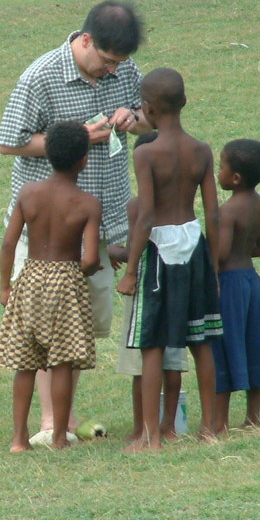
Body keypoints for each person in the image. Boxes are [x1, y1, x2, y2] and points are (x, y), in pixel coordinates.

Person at [0, 0, 149, 438]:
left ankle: (61, 417)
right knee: (42, 324)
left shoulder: (124, 70)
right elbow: (9, 143)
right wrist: (76, 138)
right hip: (49, 227)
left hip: (103, 220)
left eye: (118, 64)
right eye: (105, 61)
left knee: (78, 324)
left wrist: (132, 118)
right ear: (85, 41)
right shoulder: (40, 76)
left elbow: (146, 120)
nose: (111, 71)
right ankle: (50, 421)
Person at [116, 67, 223, 449]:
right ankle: (210, 427)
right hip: (193, 242)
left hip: (158, 248)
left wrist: (130, 271)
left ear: (147, 108)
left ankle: (150, 435)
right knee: (202, 340)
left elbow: (145, 215)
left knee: (152, 344)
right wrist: (213, 261)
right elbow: (212, 212)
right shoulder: (202, 150)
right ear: (185, 102)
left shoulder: (146, 152)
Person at [0, 122, 102, 451]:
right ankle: (58, 437)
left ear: (48, 155)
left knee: (25, 362)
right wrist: (79, 269)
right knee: (62, 361)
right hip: (67, 280)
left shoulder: (28, 193)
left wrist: (5, 287)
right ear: (84, 159)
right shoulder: (87, 203)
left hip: (30, 277)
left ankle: (18, 440)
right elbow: (91, 259)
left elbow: (9, 244)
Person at [109, 143, 189, 443]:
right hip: (176, 283)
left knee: (140, 365)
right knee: (172, 362)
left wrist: (112, 251)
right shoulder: (182, 205)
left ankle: (142, 426)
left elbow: (135, 248)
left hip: (144, 286)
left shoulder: (136, 206)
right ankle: (168, 425)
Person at [211, 139, 260, 430]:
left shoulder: (226, 212)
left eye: (220, 166)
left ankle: (220, 421)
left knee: (224, 345)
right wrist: (243, 250)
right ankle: (253, 417)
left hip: (229, 284)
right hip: (251, 280)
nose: (217, 172)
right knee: (253, 341)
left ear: (235, 178)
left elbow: (221, 254)